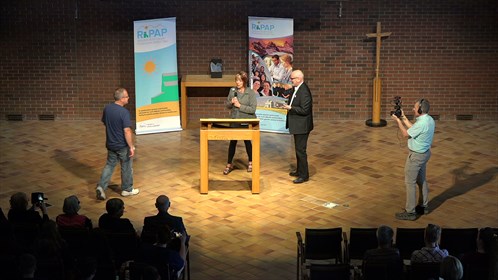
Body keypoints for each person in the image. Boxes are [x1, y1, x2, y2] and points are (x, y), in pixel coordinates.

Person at [391, 98, 435, 220]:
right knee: (421, 180)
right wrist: (404, 118)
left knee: (410, 183)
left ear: (420, 110)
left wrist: (398, 121)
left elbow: (406, 134)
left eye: (415, 107)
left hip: (416, 157)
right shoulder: (429, 119)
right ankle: (424, 206)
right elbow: (414, 129)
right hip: (424, 154)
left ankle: (410, 212)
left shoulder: (421, 123)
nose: (413, 109)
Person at [96, 87, 139, 200]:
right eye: (127, 96)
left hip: (110, 143)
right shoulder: (124, 112)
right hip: (122, 145)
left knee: (109, 165)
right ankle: (127, 189)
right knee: (126, 166)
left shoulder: (107, 108)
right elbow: (127, 130)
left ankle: (101, 186)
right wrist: (131, 146)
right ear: (122, 98)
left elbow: (105, 122)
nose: (128, 98)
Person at [223, 71, 257, 175]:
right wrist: (231, 102)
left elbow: (253, 109)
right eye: (236, 80)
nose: (238, 82)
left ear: (244, 81)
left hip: (246, 121)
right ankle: (229, 164)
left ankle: (251, 162)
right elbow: (227, 106)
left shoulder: (250, 92)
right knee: (233, 142)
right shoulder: (232, 90)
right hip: (235, 120)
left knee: (247, 141)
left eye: (240, 80)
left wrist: (239, 106)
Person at [283, 70, 314, 184]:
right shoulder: (296, 88)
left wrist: (290, 108)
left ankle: (304, 175)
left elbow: (305, 110)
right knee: (297, 149)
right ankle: (299, 170)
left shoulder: (304, 91)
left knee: (301, 150)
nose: (291, 81)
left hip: (302, 126)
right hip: (297, 124)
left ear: (299, 79)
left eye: (293, 79)